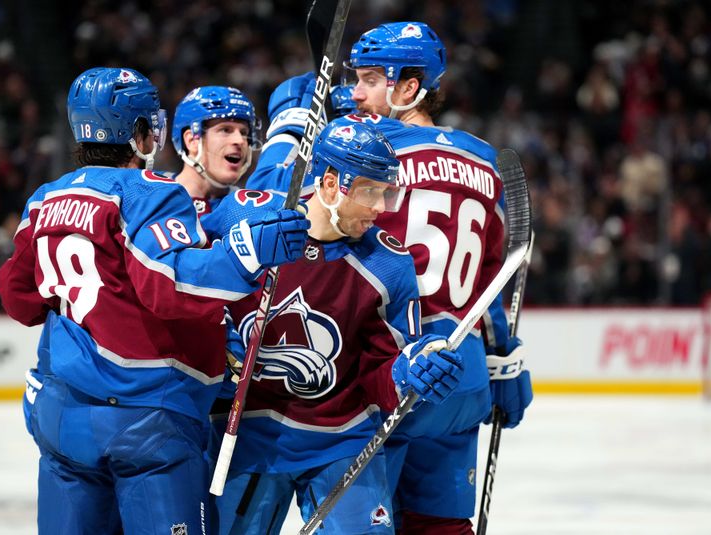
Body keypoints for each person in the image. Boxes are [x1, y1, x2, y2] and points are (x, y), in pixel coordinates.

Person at [0, 66, 310, 535]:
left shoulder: (46, 198)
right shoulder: (150, 193)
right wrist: (249, 253)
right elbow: (172, 285)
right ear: (142, 131)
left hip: (63, 413)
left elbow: (17, 298)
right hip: (146, 418)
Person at [248, 21, 533, 534]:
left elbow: (271, 202)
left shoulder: (370, 150)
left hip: (396, 370)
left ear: (409, 87)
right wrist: (504, 360)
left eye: (372, 78)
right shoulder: (484, 160)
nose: (356, 91)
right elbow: (492, 282)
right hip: (464, 370)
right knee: (441, 525)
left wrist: (292, 125)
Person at [204, 118, 467, 534]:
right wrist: (213, 340)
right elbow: (185, 282)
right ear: (329, 183)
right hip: (247, 435)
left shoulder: (389, 264)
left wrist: (408, 370)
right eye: (370, 191)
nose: (381, 207)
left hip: (339, 439)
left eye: (386, 192)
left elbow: (382, 372)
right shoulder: (245, 216)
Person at [171, 85, 261, 217]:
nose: (241, 141)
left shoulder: (250, 209)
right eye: (225, 130)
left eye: (244, 132)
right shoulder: (155, 201)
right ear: (192, 141)